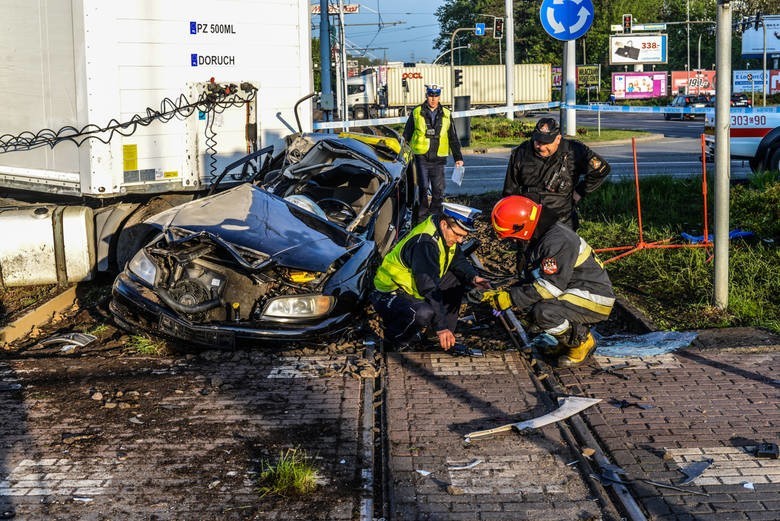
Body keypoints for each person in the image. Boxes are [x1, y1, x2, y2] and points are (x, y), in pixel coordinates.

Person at [482, 195, 615, 367]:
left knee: (544, 313)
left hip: (594, 297)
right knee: (533, 308)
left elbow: (549, 288)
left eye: (511, 236)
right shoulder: (545, 235)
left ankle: (581, 341)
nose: (512, 241)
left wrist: (511, 298)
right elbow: (537, 277)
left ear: (521, 227)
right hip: (577, 289)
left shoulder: (557, 241)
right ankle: (564, 342)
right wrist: (511, 292)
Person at [370, 202, 490, 352]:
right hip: (389, 293)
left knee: (456, 280)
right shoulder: (425, 243)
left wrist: (473, 277)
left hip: (414, 287)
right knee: (422, 313)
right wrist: (441, 327)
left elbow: (457, 259)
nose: (460, 240)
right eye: (458, 235)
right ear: (444, 224)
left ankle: (437, 339)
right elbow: (428, 287)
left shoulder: (444, 232)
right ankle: (395, 341)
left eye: (463, 236)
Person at [503, 117, 610, 230]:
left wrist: (580, 191)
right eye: (538, 142)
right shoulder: (521, 152)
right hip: (529, 220)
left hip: (562, 220)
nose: (541, 147)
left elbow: (601, 169)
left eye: (546, 143)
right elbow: (510, 191)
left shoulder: (574, 150)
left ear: (558, 139)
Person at [403, 84, 464, 220]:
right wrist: (402, 154)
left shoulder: (447, 114)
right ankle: (421, 218)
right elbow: (406, 134)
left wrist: (458, 157)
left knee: (438, 190)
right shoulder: (417, 112)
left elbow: (453, 137)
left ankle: (435, 216)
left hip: (438, 158)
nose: (433, 99)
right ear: (427, 95)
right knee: (423, 189)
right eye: (431, 95)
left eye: (436, 96)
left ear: (439, 97)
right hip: (422, 157)